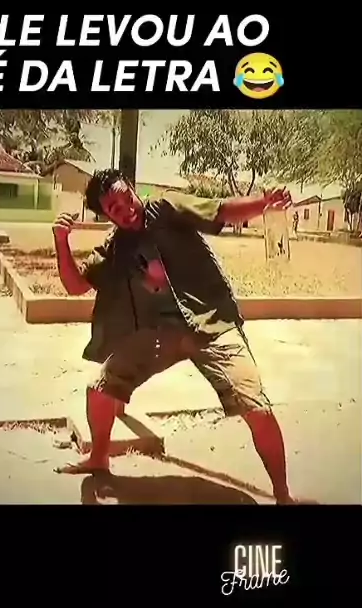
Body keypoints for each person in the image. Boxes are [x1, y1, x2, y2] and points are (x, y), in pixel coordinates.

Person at [52, 170, 296, 504]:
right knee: (99, 390)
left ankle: (283, 495)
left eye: (126, 197)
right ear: (106, 214)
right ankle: (99, 458)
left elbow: (221, 210)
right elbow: (76, 285)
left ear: (133, 189)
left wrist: (264, 203)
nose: (126, 208)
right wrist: (61, 241)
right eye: (114, 208)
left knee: (256, 406)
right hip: (158, 334)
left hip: (211, 324)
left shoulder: (166, 208)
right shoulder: (115, 247)